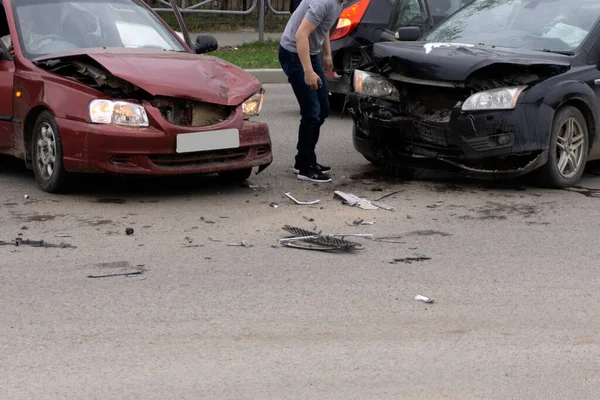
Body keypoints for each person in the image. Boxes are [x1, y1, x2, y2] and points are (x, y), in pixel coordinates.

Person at [279, 0, 344, 183]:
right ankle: (306, 166)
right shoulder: (323, 2)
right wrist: (308, 71)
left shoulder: (338, 3)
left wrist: (327, 53)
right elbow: (301, 35)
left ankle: (302, 160)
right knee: (312, 112)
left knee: (323, 109)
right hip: (293, 53)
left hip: (311, 53)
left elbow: (323, 27)